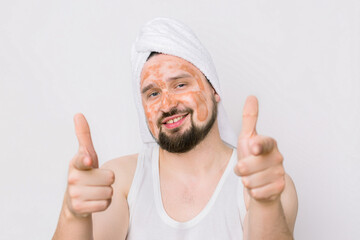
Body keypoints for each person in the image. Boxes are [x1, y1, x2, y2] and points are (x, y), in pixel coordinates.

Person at [52, 18, 298, 240]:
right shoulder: (120, 180)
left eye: (180, 84)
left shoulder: (263, 183)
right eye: (153, 93)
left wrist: (266, 204)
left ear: (214, 90)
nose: (167, 104)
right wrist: (72, 214)